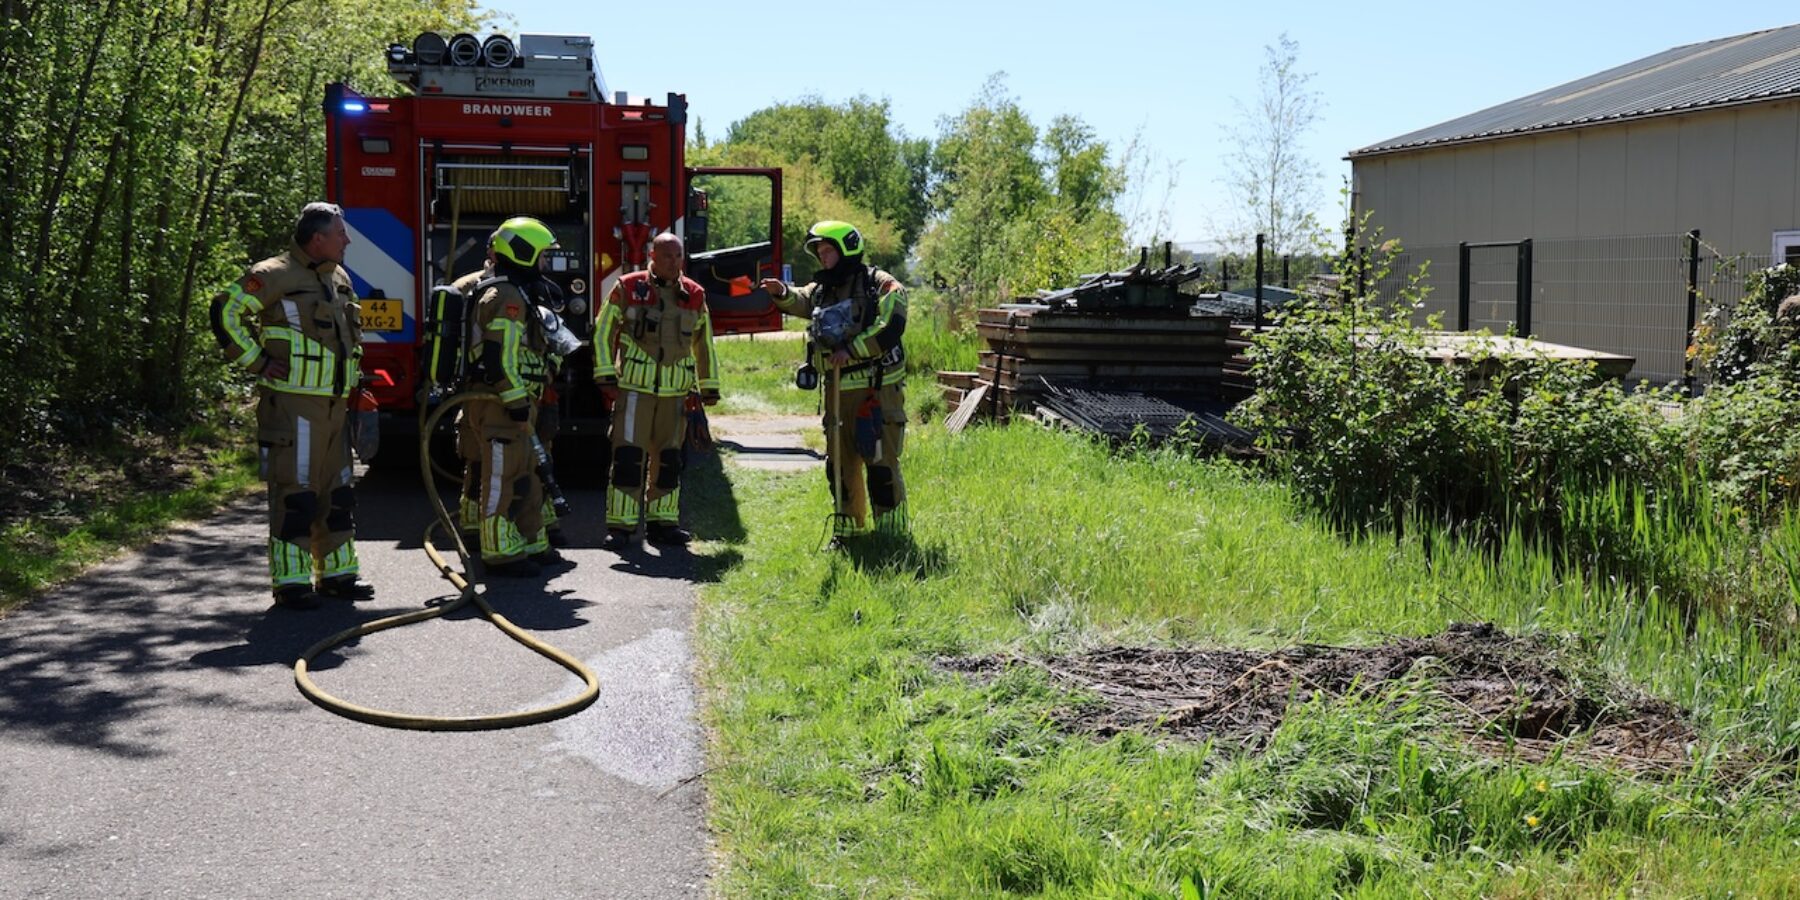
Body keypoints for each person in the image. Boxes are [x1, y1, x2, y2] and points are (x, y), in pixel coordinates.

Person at [209, 202, 375, 609]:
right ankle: (292, 583)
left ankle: (337, 575)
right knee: (296, 495)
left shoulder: (338, 276)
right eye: (340, 234)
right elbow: (224, 311)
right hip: (294, 407)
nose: (347, 240)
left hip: (336, 408)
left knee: (338, 496)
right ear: (317, 238)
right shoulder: (273, 275)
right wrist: (258, 362)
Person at [758, 220, 909, 543]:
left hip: (876, 392)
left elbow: (892, 321)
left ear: (847, 249)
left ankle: (891, 537)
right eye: (820, 252)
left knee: (881, 466)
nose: (822, 257)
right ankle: (848, 535)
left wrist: (852, 350)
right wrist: (781, 292)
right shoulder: (823, 289)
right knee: (839, 468)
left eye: (827, 251)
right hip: (837, 393)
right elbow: (802, 300)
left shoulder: (877, 283)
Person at [593, 231, 719, 550]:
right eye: (666, 256)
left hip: (676, 394)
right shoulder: (628, 287)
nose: (673, 262)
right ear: (652, 256)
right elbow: (603, 329)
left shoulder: (694, 293)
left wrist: (709, 386)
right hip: (634, 390)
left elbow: (705, 343)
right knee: (628, 457)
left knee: (670, 460)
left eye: (678, 256)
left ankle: (663, 524)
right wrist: (606, 374)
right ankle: (621, 527)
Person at [464, 216, 569, 576]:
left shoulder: (517, 290)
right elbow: (499, 359)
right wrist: (516, 401)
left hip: (517, 401)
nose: (544, 264)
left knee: (526, 472)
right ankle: (499, 553)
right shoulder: (505, 296)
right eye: (541, 256)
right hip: (500, 404)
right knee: (501, 478)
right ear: (523, 253)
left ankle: (530, 541)